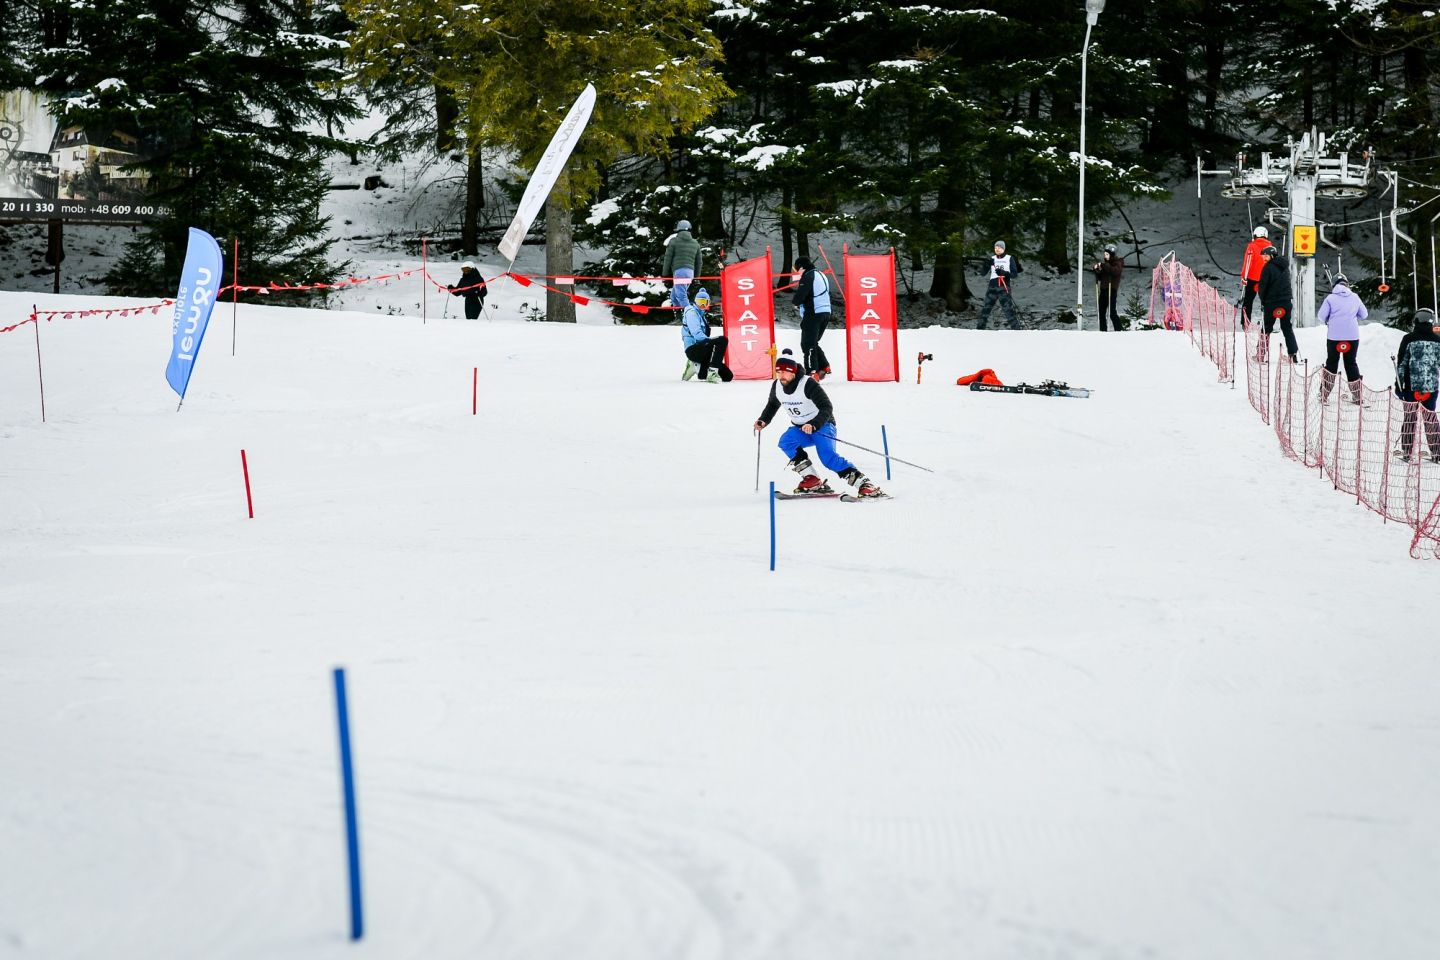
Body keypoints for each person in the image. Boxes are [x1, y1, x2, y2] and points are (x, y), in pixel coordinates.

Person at [753, 351, 883, 497]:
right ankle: (812, 479)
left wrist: (814, 424)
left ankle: (865, 485)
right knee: (786, 441)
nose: (781, 375)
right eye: (778, 372)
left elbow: (826, 407)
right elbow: (772, 404)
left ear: (793, 372)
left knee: (828, 458)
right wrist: (763, 420)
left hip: (823, 426)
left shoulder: (807, 384)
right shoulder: (777, 386)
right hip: (801, 429)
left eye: (785, 372)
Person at [1394, 308, 1440, 463]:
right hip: (1431, 386)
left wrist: (1398, 385)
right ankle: (1437, 452)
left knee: (1410, 418)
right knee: (1430, 417)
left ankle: (1407, 452)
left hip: (1411, 387)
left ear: (1416, 320)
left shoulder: (1409, 339)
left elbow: (1402, 364)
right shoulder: (1437, 340)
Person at [1316, 274, 1368, 404]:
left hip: (1334, 336)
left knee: (1331, 363)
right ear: (1347, 284)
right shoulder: (1355, 297)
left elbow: (1321, 316)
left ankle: (1324, 395)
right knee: (1351, 363)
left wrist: (1330, 318)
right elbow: (1364, 315)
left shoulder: (1330, 298)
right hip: (1352, 336)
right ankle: (1358, 396)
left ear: (1334, 285)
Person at [791, 255, 834, 380]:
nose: (797, 272)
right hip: (825, 312)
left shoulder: (808, 276)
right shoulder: (820, 274)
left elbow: (801, 294)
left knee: (807, 344)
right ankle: (824, 366)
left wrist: (795, 302)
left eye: (797, 269)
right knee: (812, 342)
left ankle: (812, 372)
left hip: (814, 313)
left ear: (801, 267)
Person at [1256, 245, 1298, 363]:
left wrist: (1263, 300)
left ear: (1272, 256)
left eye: (1265, 256)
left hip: (1271, 302)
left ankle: (1261, 355)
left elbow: (1262, 286)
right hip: (1286, 302)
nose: (1264, 258)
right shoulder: (1285, 267)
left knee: (1266, 328)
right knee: (1287, 328)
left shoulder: (1268, 268)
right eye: (1263, 256)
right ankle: (1293, 355)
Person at [680, 288, 732, 383]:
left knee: (727, 376)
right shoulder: (692, 313)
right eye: (699, 302)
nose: (702, 305)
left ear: (708, 303)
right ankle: (712, 373)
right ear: (695, 302)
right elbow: (697, 334)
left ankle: (695, 366)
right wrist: (711, 342)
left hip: (702, 349)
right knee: (722, 340)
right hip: (693, 349)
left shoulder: (701, 315)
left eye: (704, 302)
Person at [977, 240, 1022, 330]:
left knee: (1008, 310)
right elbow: (983, 273)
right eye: (996, 247)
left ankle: (1017, 330)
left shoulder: (1009, 258)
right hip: (992, 287)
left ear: (1003, 249)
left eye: (999, 247)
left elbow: (1014, 274)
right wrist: (986, 265)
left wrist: (1004, 273)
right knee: (985, 310)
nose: (997, 249)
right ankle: (979, 330)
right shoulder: (992, 258)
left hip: (1003, 287)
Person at [662, 219, 703, 309]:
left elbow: (667, 259)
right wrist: (696, 278)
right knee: (674, 296)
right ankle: (679, 314)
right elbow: (699, 262)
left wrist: (665, 275)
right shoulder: (695, 243)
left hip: (680, 272)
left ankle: (690, 314)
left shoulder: (674, 241)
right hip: (690, 273)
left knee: (681, 296)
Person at [1239, 226, 1270, 327]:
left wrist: (1244, 277)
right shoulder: (1270, 247)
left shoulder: (1252, 246)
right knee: (1266, 301)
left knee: (1248, 301)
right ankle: (1267, 323)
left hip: (1252, 279)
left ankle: (1245, 323)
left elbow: (1248, 262)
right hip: (1265, 279)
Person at [1091, 243, 1124, 331]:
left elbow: (1115, 271)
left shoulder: (1117, 263)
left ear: (1111, 255)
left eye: (1107, 254)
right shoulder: (1106, 264)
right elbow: (1101, 277)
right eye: (1104, 254)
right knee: (1101, 312)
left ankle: (1119, 330)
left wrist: (1104, 266)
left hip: (1111, 290)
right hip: (1103, 289)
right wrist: (1097, 270)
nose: (1105, 256)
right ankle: (1103, 331)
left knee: (1112, 312)